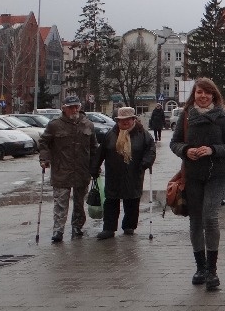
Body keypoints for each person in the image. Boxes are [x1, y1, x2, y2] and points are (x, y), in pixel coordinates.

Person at [169, 77, 225, 291]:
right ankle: (200, 267)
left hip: (217, 174)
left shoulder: (224, 117)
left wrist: (213, 150)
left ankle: (212, 270)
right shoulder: (187, 115)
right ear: (194, 94)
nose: (203, 96)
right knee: (196, 220)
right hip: (193, 175)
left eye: (207, 93)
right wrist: (185, 150)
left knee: (210, 216)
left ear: (214, 95)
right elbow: (174, 142)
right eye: (199, 92)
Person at [39, 95, 99, 243]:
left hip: (81, 171)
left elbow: (94, 148)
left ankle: (77, 227)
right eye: (71, 107)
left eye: (76, 106)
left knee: (79, 203)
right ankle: (58, 230)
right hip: (61, 171)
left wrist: (95, 166)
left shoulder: (88, 125)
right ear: (64, 108)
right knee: (61, 203)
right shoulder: (54, 125)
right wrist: (44, 159)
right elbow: (44, 142)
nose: (74, 110)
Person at [91, 107, 156, 239]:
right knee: (111, 201)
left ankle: (129, 227)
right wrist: (94, 168)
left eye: (128, 119)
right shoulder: (111, 134)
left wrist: (146, 162)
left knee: (132, 201)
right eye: (121, 120)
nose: (125, 122)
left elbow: (151, 150)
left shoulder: (143, 134)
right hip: (114, 174)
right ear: (117, 121)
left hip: (134, 173)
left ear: (133, 120)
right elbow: (101, 152)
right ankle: (109, 229)